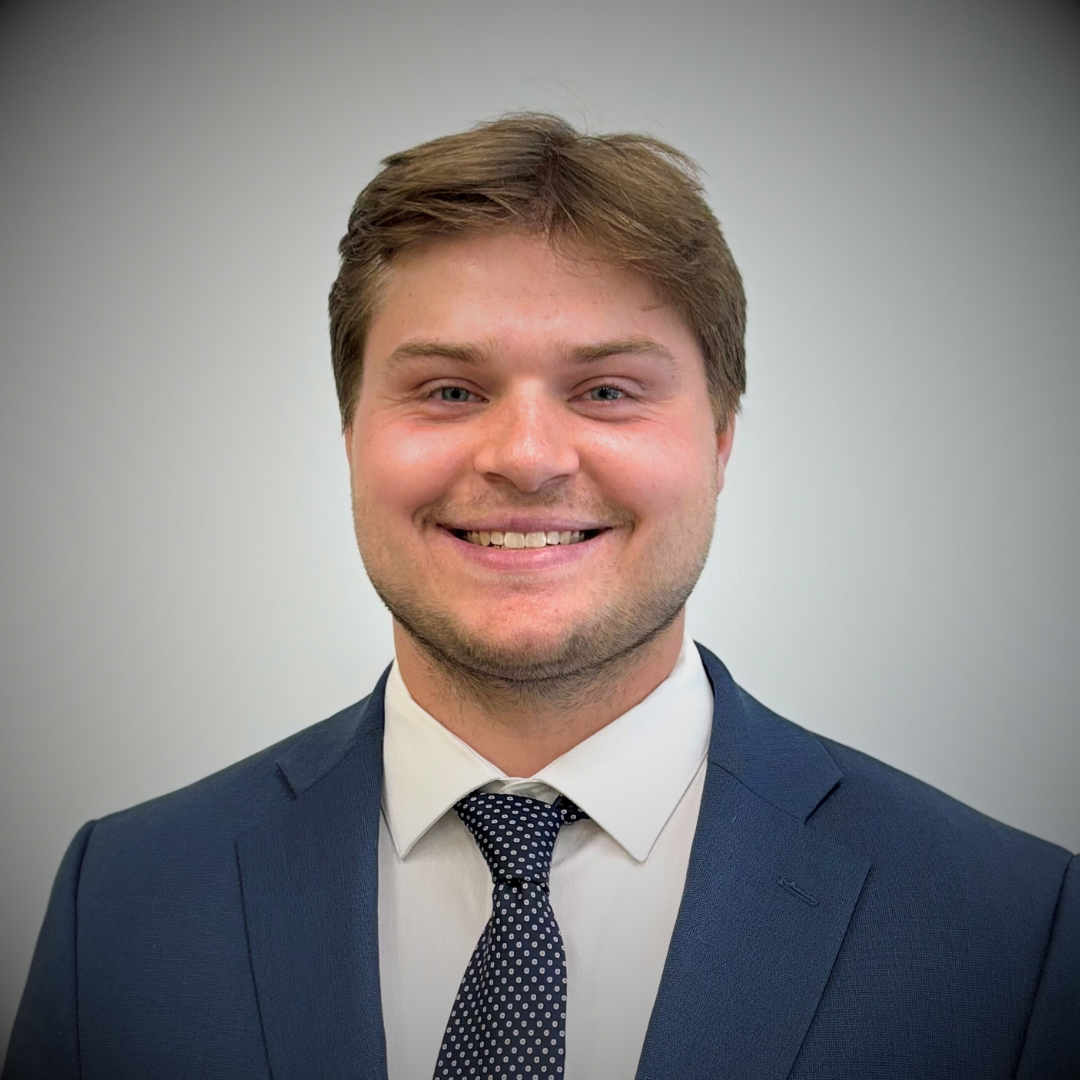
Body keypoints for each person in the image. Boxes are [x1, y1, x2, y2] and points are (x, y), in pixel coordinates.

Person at [3, 113, 1077, 1080]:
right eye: (449, 390)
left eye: (606, 390)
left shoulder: (1017, 931)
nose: (524, 457)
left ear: (720, 442)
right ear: (349, 435)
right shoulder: (121, 900)